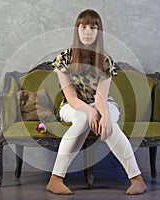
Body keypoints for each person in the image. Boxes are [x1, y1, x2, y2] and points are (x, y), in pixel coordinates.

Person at [46, 9, 147, 195]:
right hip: (73, 105)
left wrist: (105, 115)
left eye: (93, 28)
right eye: (83, 27)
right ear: (77, 29)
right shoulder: (64, 58)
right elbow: (71, 97)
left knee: (109, 125)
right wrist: (90, 112)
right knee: (84, 118)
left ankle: (136, 179)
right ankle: (56, 179)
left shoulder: (105, 61)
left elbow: (101, 97)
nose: (87, 32)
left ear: (98, 32)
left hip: (103, 103)